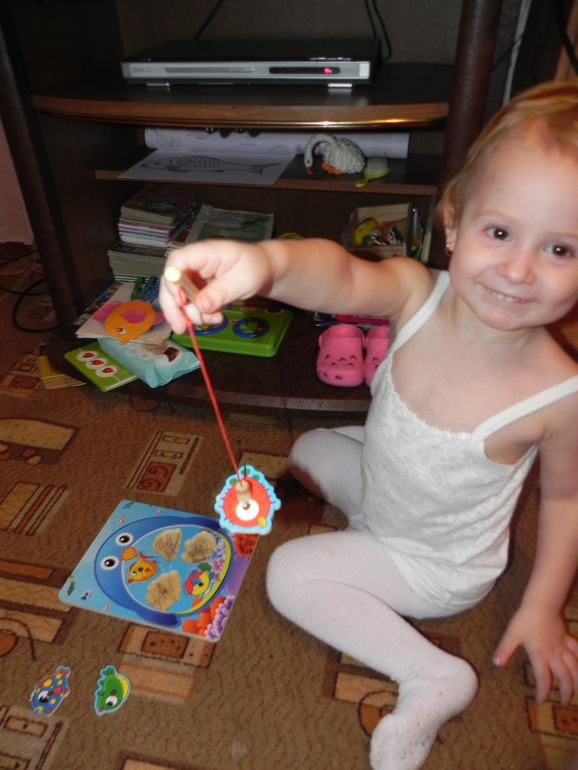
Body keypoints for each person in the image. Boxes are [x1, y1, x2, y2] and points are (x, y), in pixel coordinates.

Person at [159, 80, 578, 770]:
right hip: (386, 493)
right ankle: (362, 535)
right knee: (307, 447)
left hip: (435, 567)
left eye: (560, 250)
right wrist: (263, 264)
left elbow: (564, 501)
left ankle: (432, 674)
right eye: (500, 232)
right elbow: (340, 276)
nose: (519, 269)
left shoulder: (560, 394)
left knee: (290, 575)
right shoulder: (415, 292)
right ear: (453, 224)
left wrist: (543, 606)